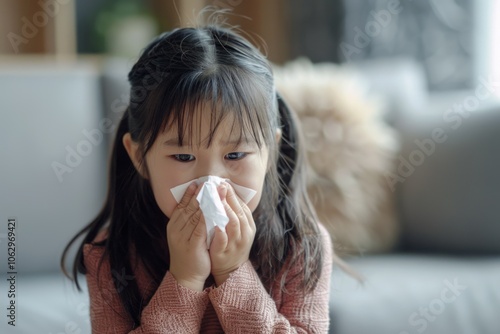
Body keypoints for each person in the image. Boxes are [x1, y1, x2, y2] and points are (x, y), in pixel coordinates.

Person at [62, 23, 332, 333]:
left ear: (270, 151)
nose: (211, 181)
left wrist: (233, 272)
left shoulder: (302, 244)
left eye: (235, 156)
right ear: (139, 157)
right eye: (183, 157)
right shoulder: (112, 253)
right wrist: (184, 280)